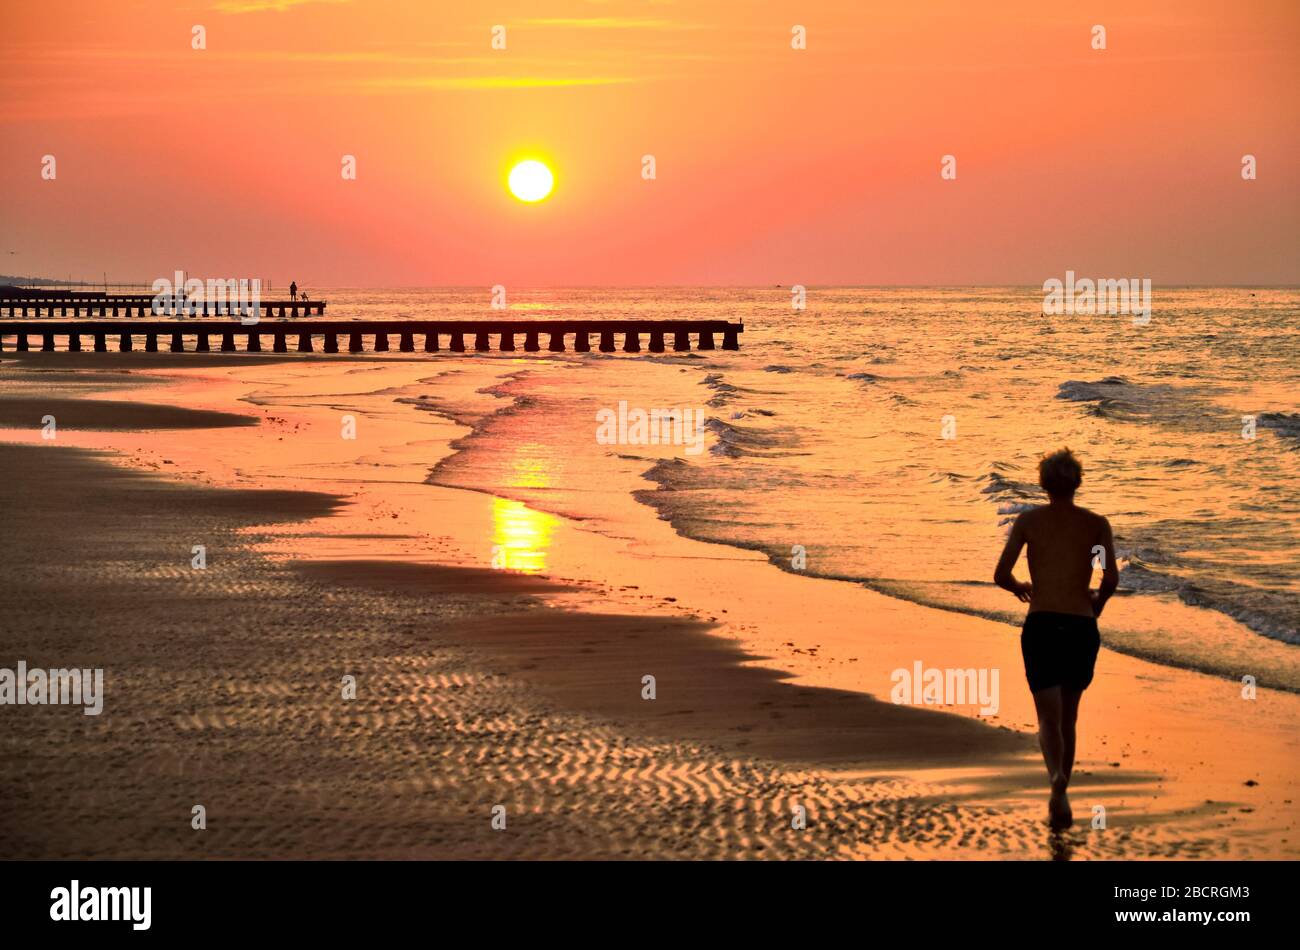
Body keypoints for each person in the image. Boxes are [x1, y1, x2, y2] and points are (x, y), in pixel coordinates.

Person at [993, 448, 1118, 830]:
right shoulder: (1096, 525)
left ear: (1043, 483)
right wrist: (1095, 607)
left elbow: (1001, 573)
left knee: (1048, 719)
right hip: (1080, 627)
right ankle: (1065, 778)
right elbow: (1108, 577)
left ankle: (1056, 785)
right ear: (1077, 483)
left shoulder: (1029, 521)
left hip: (1042, 624)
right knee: (1070, 715)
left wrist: (1020, 588)